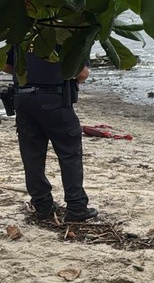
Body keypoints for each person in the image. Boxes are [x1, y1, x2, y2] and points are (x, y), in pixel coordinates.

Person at [4, 47, 98, 221]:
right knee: (69, 153)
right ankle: (76, 207)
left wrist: (28, 74)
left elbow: (5, 64)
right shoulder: (65, 33)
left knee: (32, 156)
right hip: (54, 99)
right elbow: (82, 74)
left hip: (23, 99)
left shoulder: (22, 31)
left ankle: (42, 206)